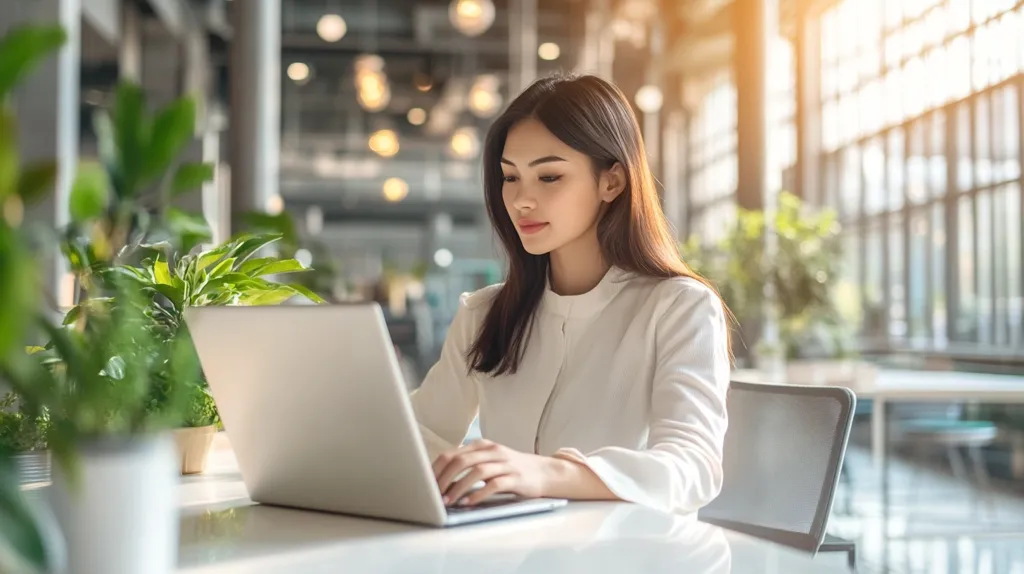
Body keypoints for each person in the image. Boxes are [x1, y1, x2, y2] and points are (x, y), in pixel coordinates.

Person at [410, 73, 731, 515]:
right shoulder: (485, 313)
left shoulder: (680, 308)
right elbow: (419, 432)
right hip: (508, 551)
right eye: (510, 177)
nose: (521, 199)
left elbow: (691, 467)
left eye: (549, 176)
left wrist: (544, 474)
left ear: (611, 182)